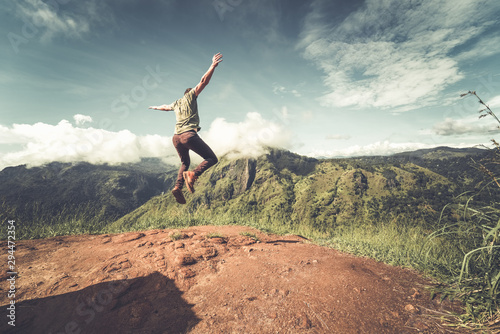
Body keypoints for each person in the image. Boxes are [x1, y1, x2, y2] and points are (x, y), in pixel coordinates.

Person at [149, 53, 223, 204]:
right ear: (190, 94)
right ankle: (193, 175)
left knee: (184, 163)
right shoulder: (191, 96)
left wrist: (155, 107)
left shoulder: (177, 103)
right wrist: (212, 66)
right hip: (188, 135)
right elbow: (203, 81)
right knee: (211, 158)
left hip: (176, 138)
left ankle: (178, 187)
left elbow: (165, 107)